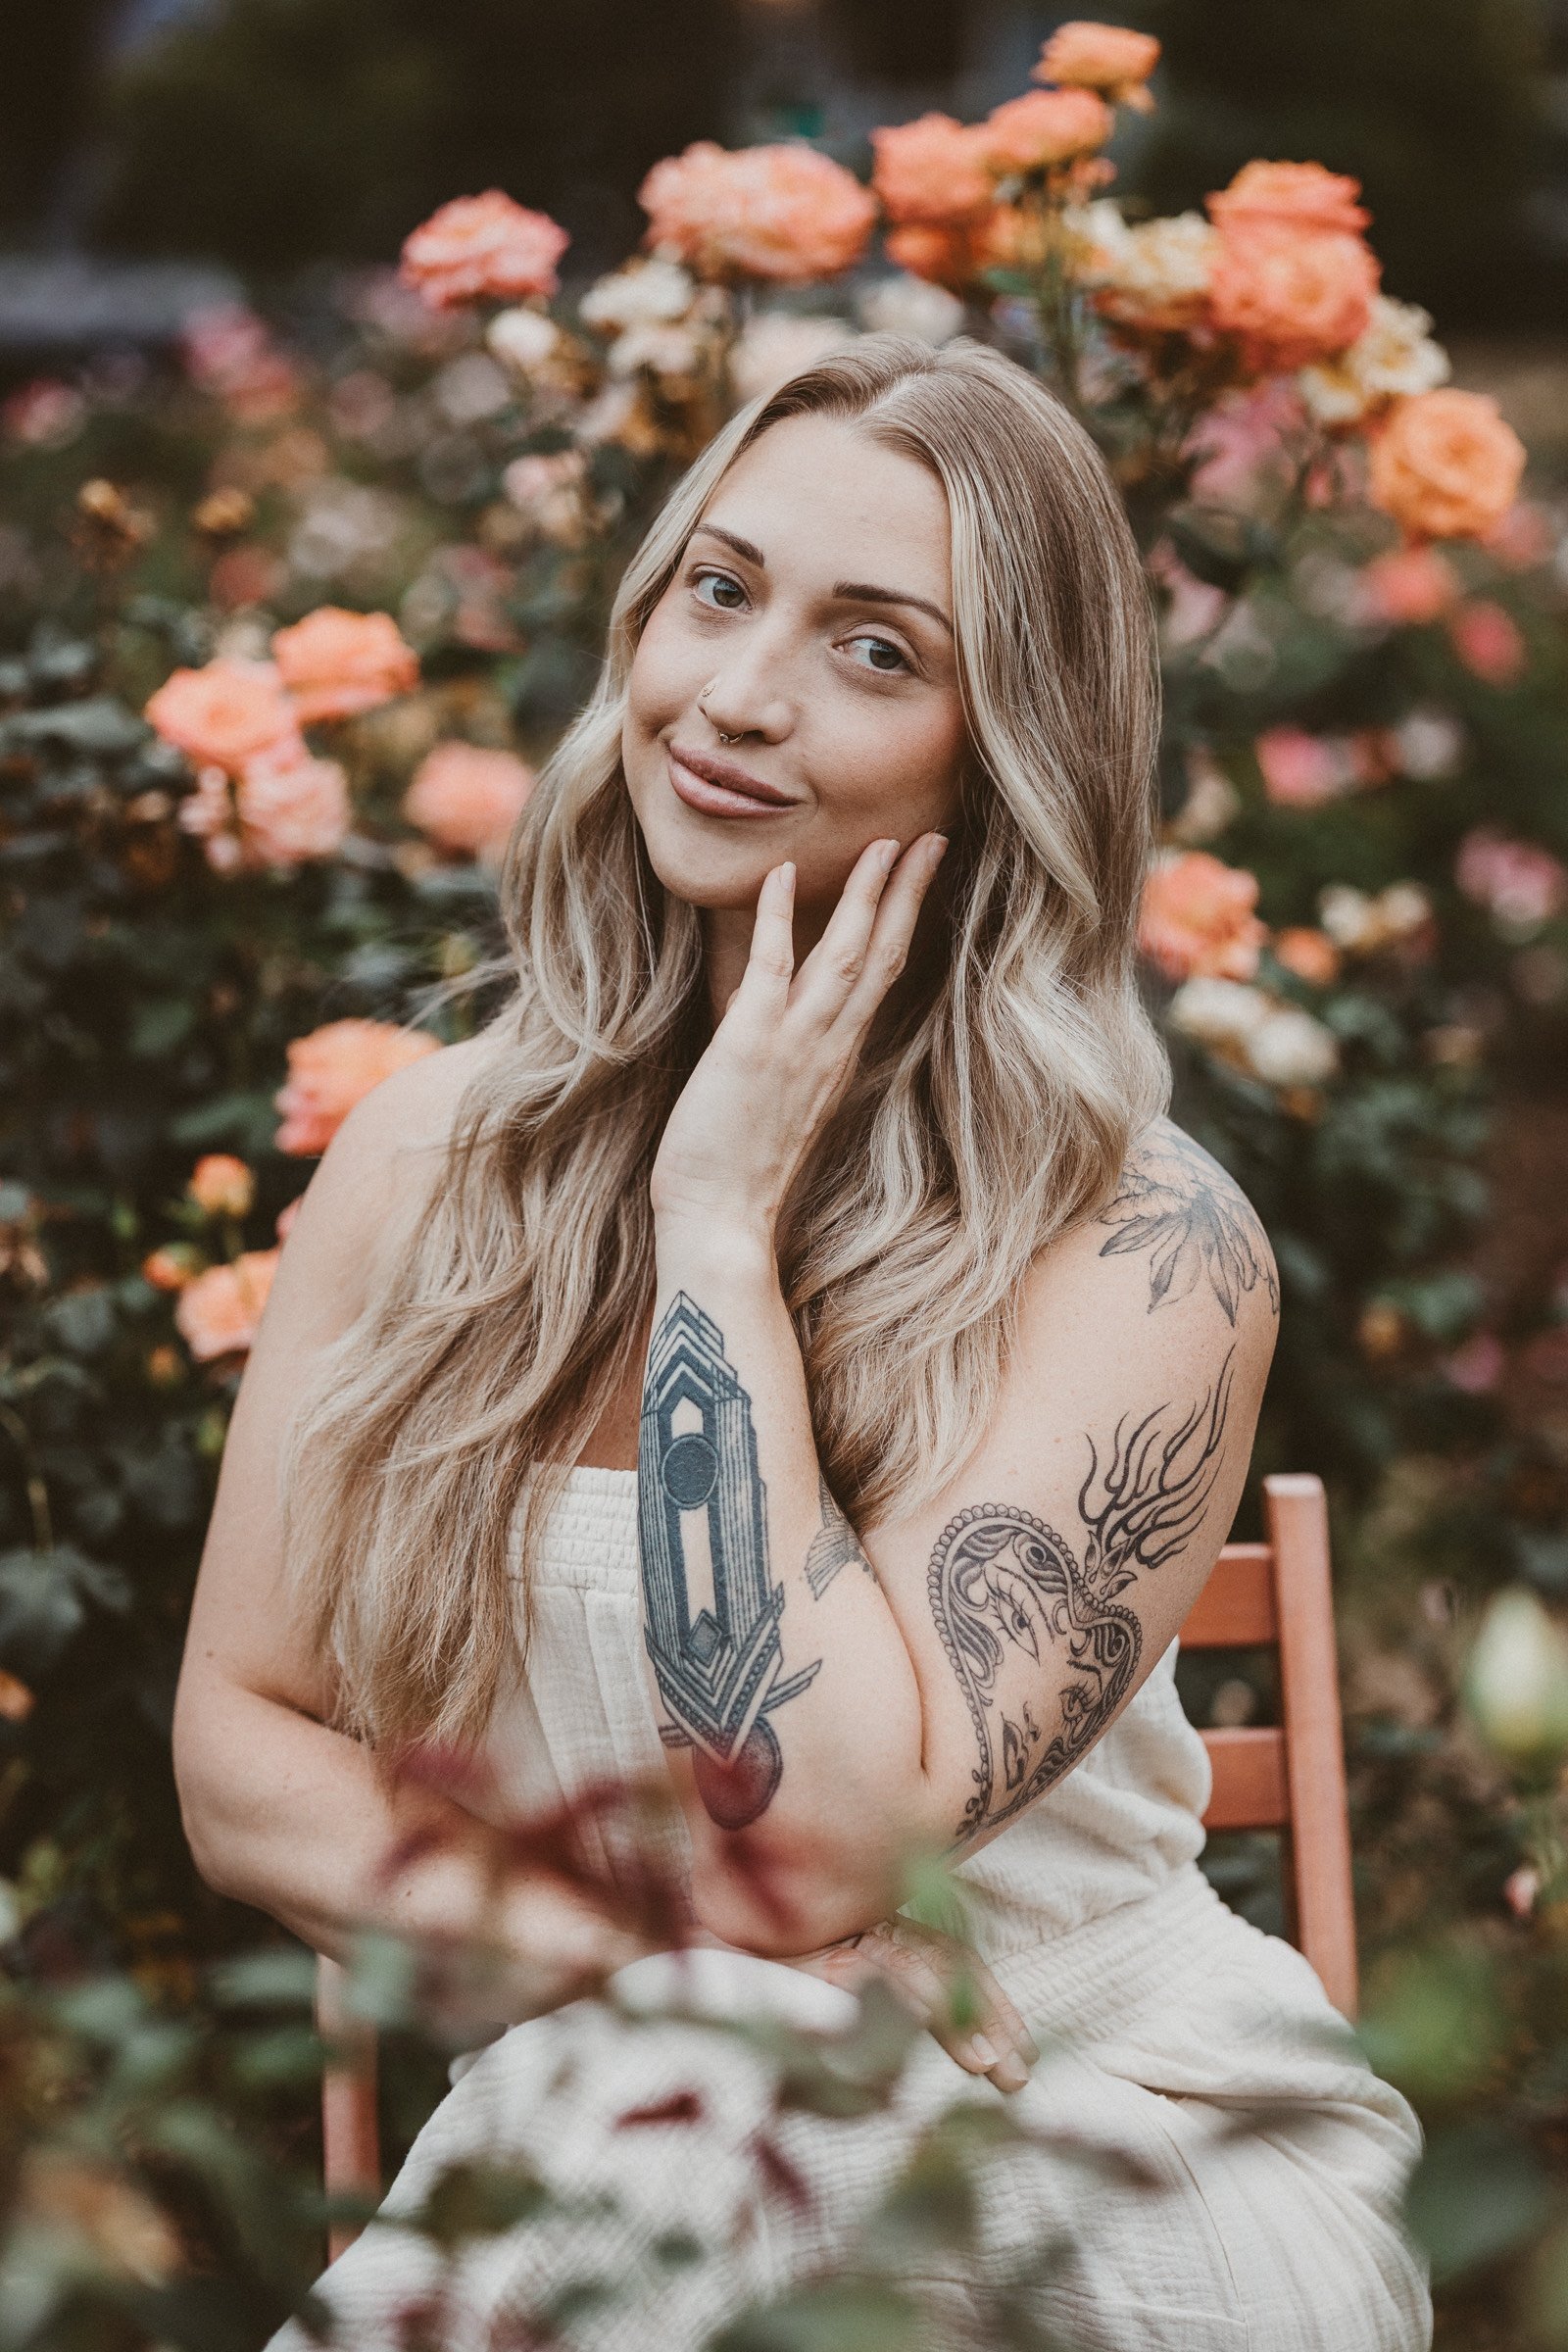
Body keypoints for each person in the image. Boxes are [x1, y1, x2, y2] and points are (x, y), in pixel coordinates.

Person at [173, 334, 1433, 2350]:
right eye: (719, 590)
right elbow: (243, 1757)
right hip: (620, 2086)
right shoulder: (420, 1162)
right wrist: (647, 1972)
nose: (739, 700)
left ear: (1001, 749)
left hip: (1093, 2103)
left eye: (873, 650)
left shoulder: (1136, 1239)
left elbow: (826, 1839)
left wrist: (714, 1231)